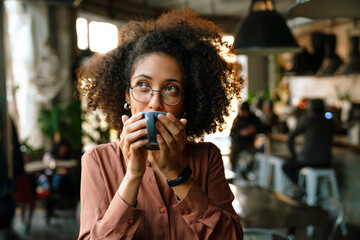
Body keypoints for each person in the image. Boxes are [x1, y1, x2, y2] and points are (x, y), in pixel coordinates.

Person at [76, 9, 243, 240]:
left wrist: (176, 173)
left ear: (184, 102)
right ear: (127, 95)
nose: (155, 103)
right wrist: (133, 174)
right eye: (143, 85)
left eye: (171, 88)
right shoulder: (98, 161)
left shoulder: (207, 158)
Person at [283, 99, 335, 186]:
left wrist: (293, 154)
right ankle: (307, 189)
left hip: (308, 160)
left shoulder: (308, 119)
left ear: (310, 108)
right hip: (326, 161)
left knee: (286, 167)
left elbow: (290, 137)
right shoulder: (330, 121)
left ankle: (304, 187)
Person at [229, 102, 262, 177]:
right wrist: (241, 133)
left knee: (256, 155)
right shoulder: (238, 119)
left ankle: (247, 171)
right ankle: (234, 173)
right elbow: (231, 134)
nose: (245, 113)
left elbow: (262, 128)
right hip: (238, 143)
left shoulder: (253, 118)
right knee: (233, 155)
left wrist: (254, 129)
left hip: (249, 143)